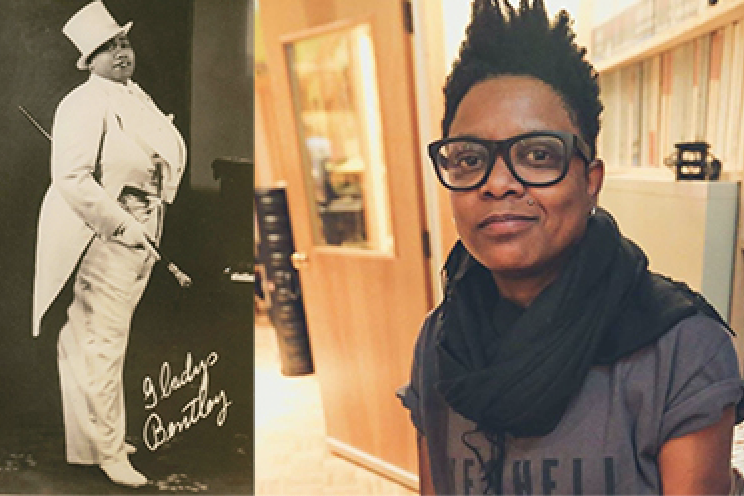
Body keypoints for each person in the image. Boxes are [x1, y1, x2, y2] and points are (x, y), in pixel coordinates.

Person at [397, 0, 744, 494]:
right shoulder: (440, 339)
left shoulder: (682, 350)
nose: (497, 184)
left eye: (537, 154)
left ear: (591, 180)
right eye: (470, 157)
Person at [32, 1, 186, 488]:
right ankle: (106, 450)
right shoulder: (82, 103)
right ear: (88, 60)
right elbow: (72, 179)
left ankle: (95, 441)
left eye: (123, 42)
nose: (121, 53)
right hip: (104, 234)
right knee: (100, 338)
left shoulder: (133, 94)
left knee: (92, 336)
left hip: (144, 224)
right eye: (107, 47)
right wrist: (121, 226)